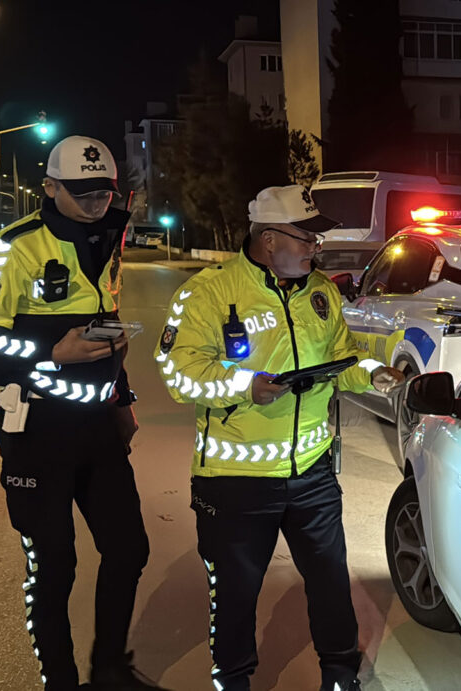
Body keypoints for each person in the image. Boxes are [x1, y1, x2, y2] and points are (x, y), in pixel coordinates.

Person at [153, 184, 404, 691]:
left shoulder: (321, 291)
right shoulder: (207, 292)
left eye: (316, 238)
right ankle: (234, 679)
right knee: (236, 592)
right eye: (306, 238)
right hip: (235, 479)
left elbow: (341, 358)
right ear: (269, 240)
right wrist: (244, 386)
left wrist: (372, 374)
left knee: (330, 580)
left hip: (311, 470)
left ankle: (340, 674)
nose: (316, 248)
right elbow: (178, 374)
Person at [0, 136, 160, 690]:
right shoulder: (9, 248)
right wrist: (50, 352)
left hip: (98, 425)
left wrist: (123, 399)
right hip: (37, 429)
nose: (95, 203)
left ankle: (110, 671)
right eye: (81, 193)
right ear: (49, 187)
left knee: (129, 549)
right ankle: (62, 682)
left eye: (103, 193)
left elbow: (108, 328)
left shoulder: (107, 237)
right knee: (55, 566)